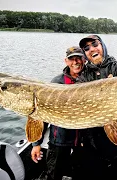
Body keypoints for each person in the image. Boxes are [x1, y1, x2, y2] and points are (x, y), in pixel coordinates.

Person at [71, 35, 117, 180]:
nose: (91, 49)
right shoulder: (82, 78)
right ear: (85, 54)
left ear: (102, 46)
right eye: (86, 48)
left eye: (95, 44)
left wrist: (115, 87)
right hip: (95, 145)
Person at [31, 46, 86, 180]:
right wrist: (36, 144)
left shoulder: (91, 79)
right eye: (72, 59)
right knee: (54, 175)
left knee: (82, 174)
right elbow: (41, 114)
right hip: (59, 140)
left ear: (84, 60)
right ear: (66, 61)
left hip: (84, 141)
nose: (76, 62)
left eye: (79, 58)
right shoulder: (56, 82)